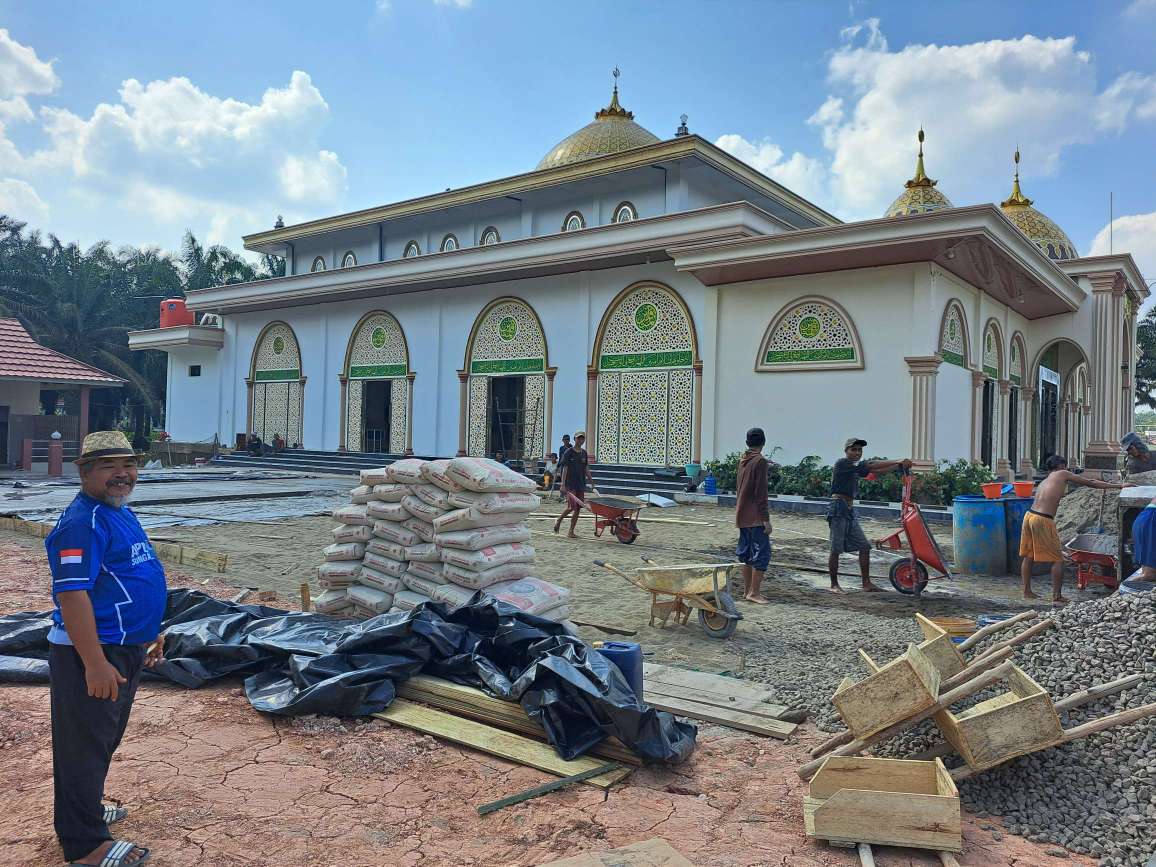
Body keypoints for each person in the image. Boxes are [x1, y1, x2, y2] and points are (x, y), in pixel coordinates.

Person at [45, 431, 167, 867]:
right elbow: (73, 595)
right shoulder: (82, 523)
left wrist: (150, 630)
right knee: (83, 746)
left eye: (129, 465)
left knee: (102, 740)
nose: (123, 475)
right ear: (85, 472)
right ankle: (85, 845)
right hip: (94, 654)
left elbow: (135, 572)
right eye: (108, 466)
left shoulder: (118, 511)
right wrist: (93, 663)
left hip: (124, 647)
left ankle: (88, 808)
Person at [1021, 454, 1132, 603]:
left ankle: (1027, 591)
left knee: (1029, 557)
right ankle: (1057, 596)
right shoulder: (1062, 473)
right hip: (1042, 519)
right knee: (1058, 559)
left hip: (1029, 516)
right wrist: (1119, 486)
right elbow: (1090, 482)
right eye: (1065, 466)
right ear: (1061, 466)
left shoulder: (1044, 481)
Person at [828, 438, 912, 593]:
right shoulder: (843, 463)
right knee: (836, 548)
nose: (857, 453)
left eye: (859, 450)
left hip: (849, 509)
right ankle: (834, 585)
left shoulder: (854, 468)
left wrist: (897, 467)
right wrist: (898, 461)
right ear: (846, 451)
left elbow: (873, 471)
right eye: (854, 449)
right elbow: (871, 464)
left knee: (864, 546)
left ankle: (866, 583)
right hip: (838, 508)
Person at [735, 427, 772, 604]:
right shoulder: (760, 462)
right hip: (755, 517)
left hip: (742, 514)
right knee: (761, 554)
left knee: (745, 554)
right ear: (763, 443)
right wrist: (766, 519)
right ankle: (754, 592)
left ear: (747, 442)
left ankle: (746, 590)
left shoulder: (743, 460)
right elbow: (761, 493)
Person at [554, 431, 593, 538]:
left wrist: (591, 481)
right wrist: (562, 484)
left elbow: (586, 468)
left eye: (582, 439)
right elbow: (564, 468)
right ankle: (559, 520)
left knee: (578, 508)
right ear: (574, 439)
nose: (580, 440)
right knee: (571, 507)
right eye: (578, 438)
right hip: (570, 484)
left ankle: (571, 531)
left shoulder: (584, 453)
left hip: (580, 483)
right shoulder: (568, 452)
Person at [1130, 494, 1156, 580]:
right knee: (1149, 575)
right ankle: (1127, 590)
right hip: (1151, 521)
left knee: (1148, 573)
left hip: (1147, 519)